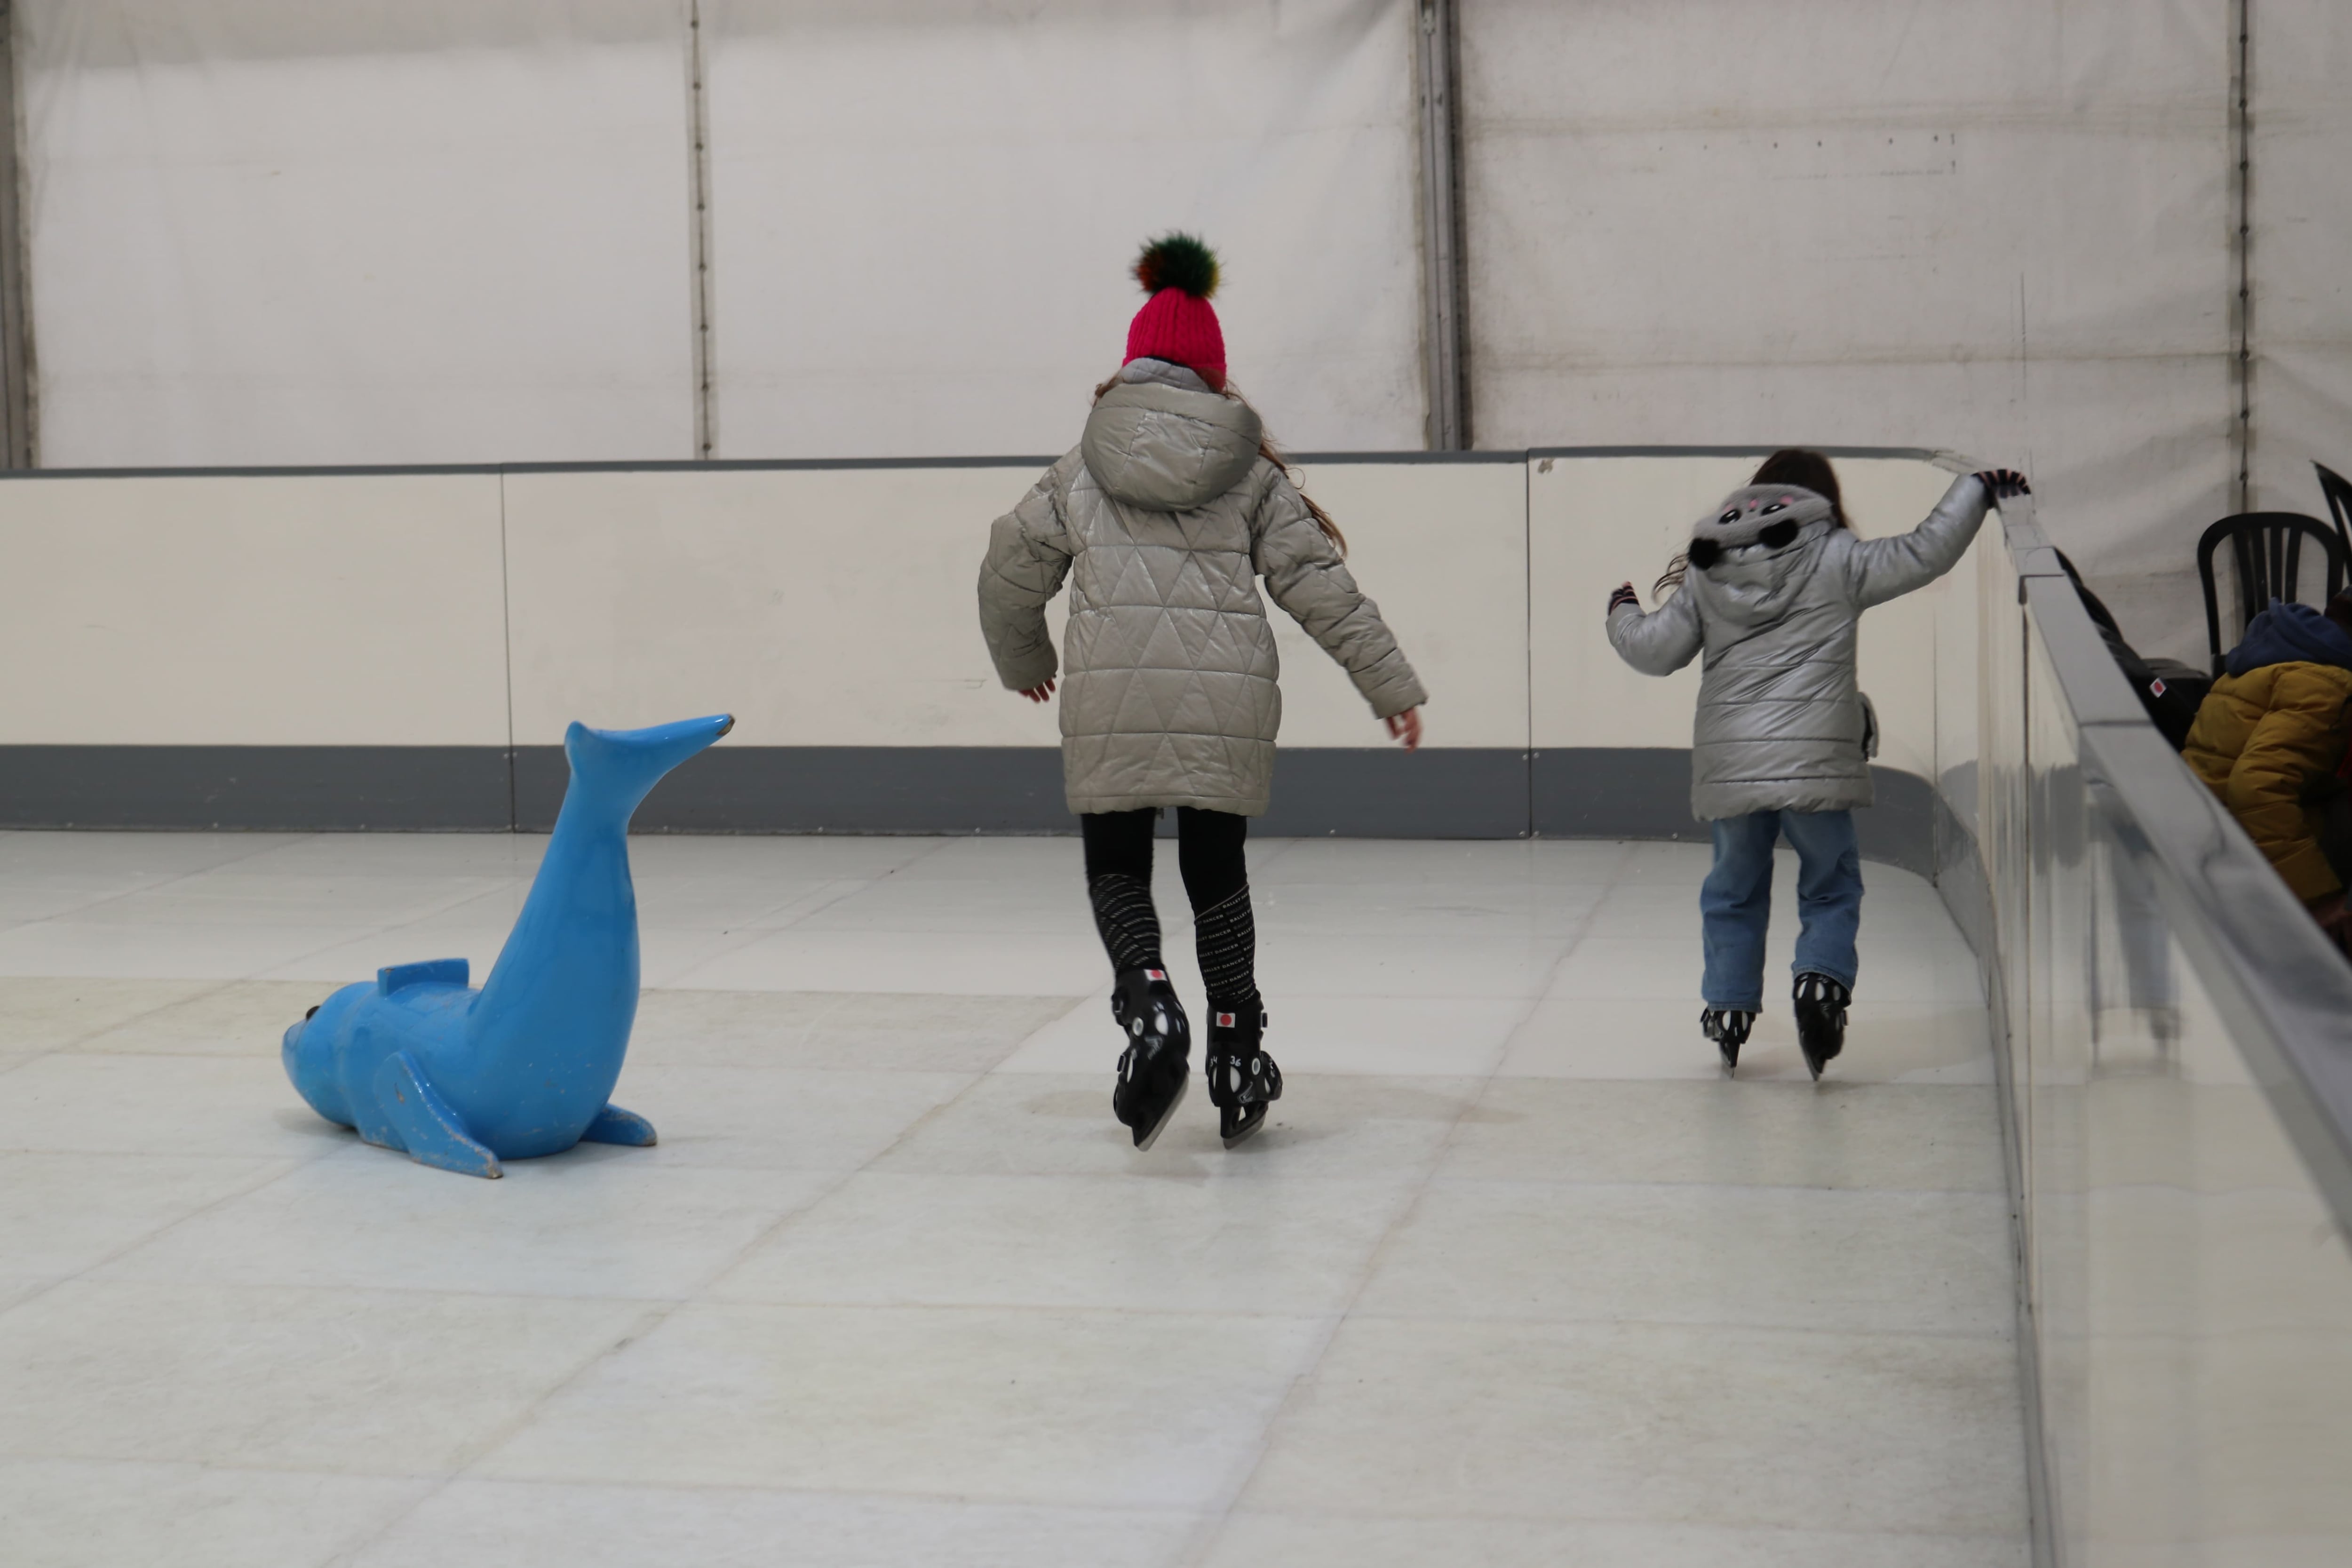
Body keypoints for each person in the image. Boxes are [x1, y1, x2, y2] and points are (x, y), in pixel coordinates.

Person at [977, 233, 1426, 1148]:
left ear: (1128, 368)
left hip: (1108, 695)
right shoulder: (1251, 471)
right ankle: (1234, 1044)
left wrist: (1025, 659)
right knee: (1215, 872)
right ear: (1213, 373)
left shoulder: (1078, 468)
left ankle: (1147, 1001)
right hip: (1224, 703)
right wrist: (1386, 681)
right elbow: (1318, 583)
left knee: (1116, 865)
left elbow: (1006, 570)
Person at [1605, 450, 2029, 1078]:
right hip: (1816, 762)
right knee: (1830, 884)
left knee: (1733, 888)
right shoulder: (1838, 557)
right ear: (1822, 501)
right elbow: (1924, 552)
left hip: (1733, 767)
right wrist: (1973, 491)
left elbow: (1653, 650)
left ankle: (1728, 1010)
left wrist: (1621, 609)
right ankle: (1821, 984)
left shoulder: (1708, 570)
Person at [2181, 592, 2352, 949]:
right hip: (2236, 849)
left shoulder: (2287, 651)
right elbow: (2258, 787)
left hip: (2201, 831)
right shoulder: (2330, 685)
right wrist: (2319, 897)